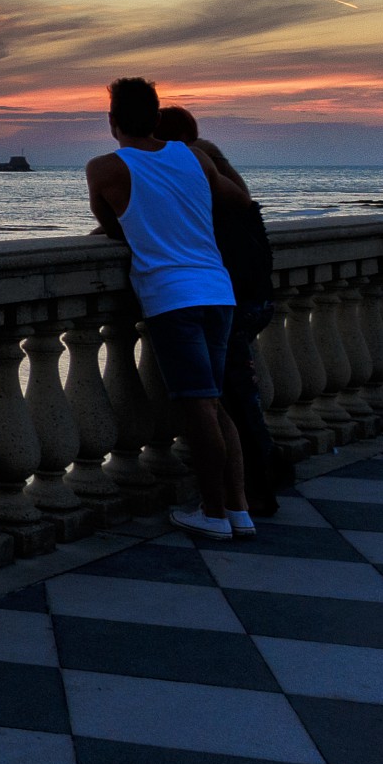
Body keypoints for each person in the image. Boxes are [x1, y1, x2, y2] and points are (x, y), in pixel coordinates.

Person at [85, 77, 254, 540]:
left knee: (198, 408)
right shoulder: (195, 158)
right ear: (158, 117)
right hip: (218, 291)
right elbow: (240, 199)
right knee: (215, 404)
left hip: (171, 297)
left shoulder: (104, 168)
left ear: (111, 121)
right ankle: (238, 509)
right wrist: (215, 158)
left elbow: (114, 226)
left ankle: (215, 513)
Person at [158, 104, 285, 516]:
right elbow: (246, 204)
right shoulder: (221, 173)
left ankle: (250, 496)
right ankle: (259, 486)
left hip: (228, 300)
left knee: (229, 403)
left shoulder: (191, 173)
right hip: (257, 299)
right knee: (239, 398)